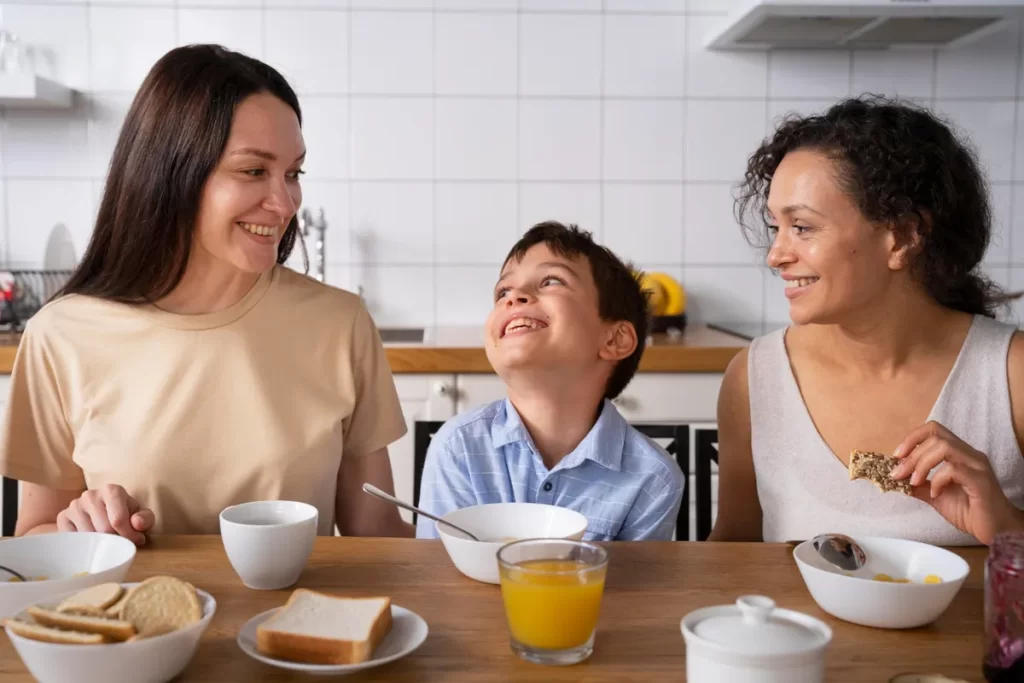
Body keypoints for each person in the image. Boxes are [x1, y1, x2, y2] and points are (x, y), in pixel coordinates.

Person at [0, 44, 412, 543]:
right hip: (138, 621)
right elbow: (35, 536)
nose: (284, 203)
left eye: (293, 173)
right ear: (171, 173)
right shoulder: (60, 336)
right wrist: (79, 529)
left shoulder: (340, 324)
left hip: (294, 622)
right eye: (254, 171)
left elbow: (380, 538)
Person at [709, 95, 1024, 546]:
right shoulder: (754, 377)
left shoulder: (1012, 375)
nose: (776, 254)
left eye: (802, 227)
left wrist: (1006, 526)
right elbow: (731, 552)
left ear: (902, 236)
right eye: (776, 227)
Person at [415, 222, 685, 541]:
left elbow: (631, 590)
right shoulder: (458, 447)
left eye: (551, 281)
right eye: (503, 291)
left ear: (614, 339)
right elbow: (441, 579)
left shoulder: (653, 478)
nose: (514, 297)